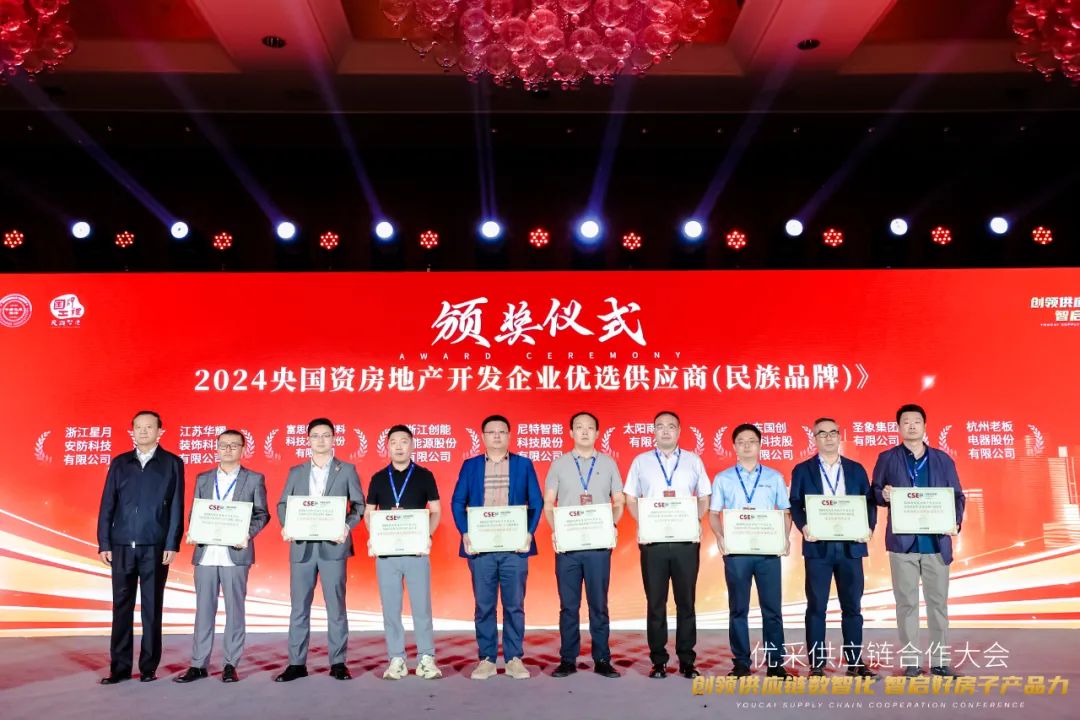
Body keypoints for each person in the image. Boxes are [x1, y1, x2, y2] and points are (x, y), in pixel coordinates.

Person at [872, 404, 966, 677]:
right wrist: (883, 494)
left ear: (925, 426)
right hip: (903, 544)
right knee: (906, 605)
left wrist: (954, 522)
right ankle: (911, 662)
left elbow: (957, 496)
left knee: (938, 605)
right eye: (906, 422)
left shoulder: (942, 459)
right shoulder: (887, 458)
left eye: (916, 421)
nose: (911, 426)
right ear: (898, 427)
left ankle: (940, 661)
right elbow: (874, 492)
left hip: (936, 543)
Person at [451, 414, 543, 680]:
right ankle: (487, 659)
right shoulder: (471, 466)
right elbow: (457, 502)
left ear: (509, 436)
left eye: (502, 432)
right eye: (491, 432)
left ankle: (514, 658)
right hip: (481, 548)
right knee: (484, 606)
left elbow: (536, 502)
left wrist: (529, 533)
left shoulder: (523, 464)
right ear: (483, 437)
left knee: (514, 605)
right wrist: (465, 532)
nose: (497, 436)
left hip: (515, 548)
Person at [174, 429, 270, 684]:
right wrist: (194, 530)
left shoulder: (253, 479)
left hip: (235, 553)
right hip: (206, 552)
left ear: (243, 449)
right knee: (203, 611)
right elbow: (196, 511)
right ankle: (198, 664)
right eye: (223, 445)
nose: (228, 449)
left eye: (233, 445)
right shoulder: (204, 478)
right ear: (216, 448)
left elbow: (262, 514)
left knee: (235, 610)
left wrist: (246, 534)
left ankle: (230, 664)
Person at [97, 410, 185, 684]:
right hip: (122, 545)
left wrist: (172, 542)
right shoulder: (120, 463)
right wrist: (104, 542)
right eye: (138, 427)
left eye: (149, 427)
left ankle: (148, 667)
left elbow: (177, 506)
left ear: (160, 432)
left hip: (154, 546)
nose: (143, 431)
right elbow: (107, 505)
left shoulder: (172, 463)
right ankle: (119, 668)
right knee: (121, 608)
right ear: (131, 431)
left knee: (152, 607)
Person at [275, 418, 365, 682]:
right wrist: (287, 525)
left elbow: (358, 506)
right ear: (308, 440)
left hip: (333, 547)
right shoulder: (296, 471)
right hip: (302, 547)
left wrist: (345, 526)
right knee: (298, 607)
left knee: (336, 607)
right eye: (315, 436)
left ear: (334, 438)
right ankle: (296, 663)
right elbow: (283, 504)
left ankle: (338, 662)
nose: (321, 440)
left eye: (326, 435)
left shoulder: (346, 470)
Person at [624, 411, 711, 679]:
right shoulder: (641, 461)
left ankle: (687, 660)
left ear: (679, 430)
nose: (665, 431)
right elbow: (630, 498)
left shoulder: (693, 461)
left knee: (686, 602)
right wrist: (646, 523)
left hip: (685, 542)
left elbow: (704, 496)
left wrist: (692, 521)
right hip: (654, 543)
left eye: (671, 426)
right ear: (653, 430)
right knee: (655, 603)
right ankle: (658, 661)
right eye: (660, 426)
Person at [788, 418, 877, 678]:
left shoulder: (856, 469)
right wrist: (804, 526)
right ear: (814, 438)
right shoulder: (802, 470)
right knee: (817, 607)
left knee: (853, 607)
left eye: (833, 432)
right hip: (818, 548)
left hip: (851, 547)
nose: (828, 437)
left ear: (840, 436)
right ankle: (817, 664)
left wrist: (868, 527)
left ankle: (855, 662)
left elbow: (868, 502)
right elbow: (795, 503)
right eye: (822, 433)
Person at [708, 423, 793, 679]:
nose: (747, 445)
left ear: (760, 445)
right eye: (741, 442)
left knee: (772, 610)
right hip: (737, 554)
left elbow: (785, 512)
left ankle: (775, 663)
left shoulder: (774, 477)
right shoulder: (723, 478)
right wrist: (720, 536)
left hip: (768, 553)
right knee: (738, 609)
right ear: (734, 447)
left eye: (752, 441)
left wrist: (784, 538)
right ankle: (741, 663)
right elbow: (713, 514)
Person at [543, 411, 624, 679]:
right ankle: (568, 659)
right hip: (568, 547)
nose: (585, 431)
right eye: (579, 427)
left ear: (598, 433)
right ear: (571, 433)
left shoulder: (609, 463)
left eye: (590, 427)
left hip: (598, 546)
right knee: (569, 606)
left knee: (599, 605)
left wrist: (611, 526)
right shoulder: (559, 464)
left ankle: (602, 658)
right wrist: (557, 531)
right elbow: (549, 502)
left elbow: (619, 501)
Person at [365, 424, 443, 680]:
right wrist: (375, 537)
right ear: (387, 446)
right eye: (394, 442)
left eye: (404, 441)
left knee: (422, 607)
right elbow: (368, 513)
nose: (399, 446)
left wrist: (427, 536)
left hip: (416, 552)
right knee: (391, 609)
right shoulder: (378, 478)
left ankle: (426, 658)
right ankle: (396, 658)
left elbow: (436, 510)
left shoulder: (424, 475)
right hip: (387, 554)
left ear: (412, 444)